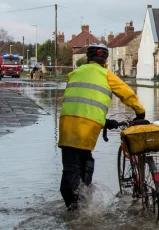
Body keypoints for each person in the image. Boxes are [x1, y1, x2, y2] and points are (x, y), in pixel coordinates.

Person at [58, 43, 145, 211]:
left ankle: (73, 205)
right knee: (85, 162)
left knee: (70, 166)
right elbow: (127, 94)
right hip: (88, 126)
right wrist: (140, 113)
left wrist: (104, 121)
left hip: (66, 124)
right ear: (105, 60)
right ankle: (81, 203)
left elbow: (80, 102)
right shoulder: (106, 75)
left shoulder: (74, 74)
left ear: (88, 59)